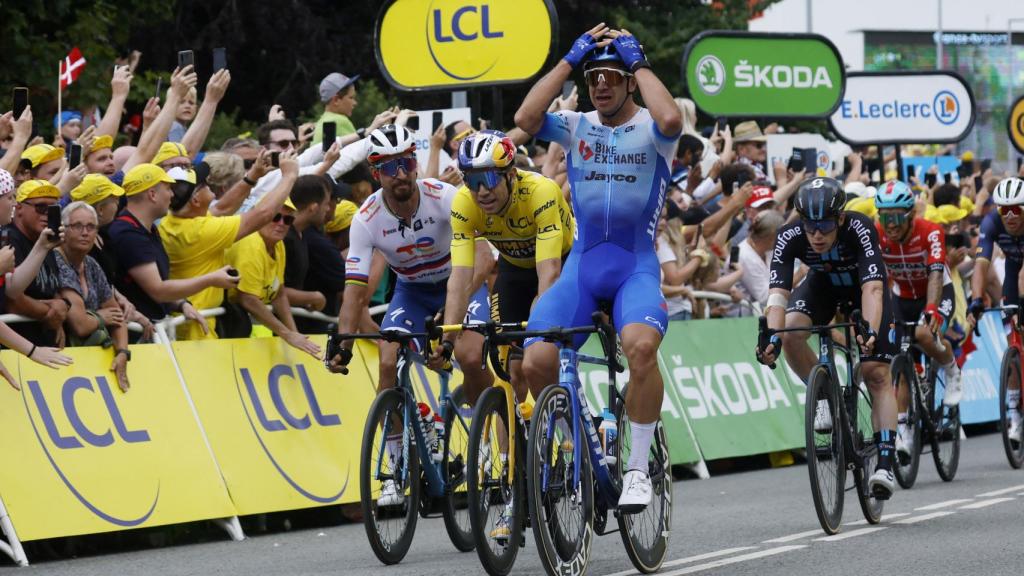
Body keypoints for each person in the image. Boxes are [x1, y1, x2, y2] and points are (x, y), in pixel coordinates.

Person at [513, 24, 682, 510]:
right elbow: (526, 115)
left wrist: (639, 61)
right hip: (583, 267)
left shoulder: (653, 127)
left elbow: (672, 118)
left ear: (629, 81)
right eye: (593, 79)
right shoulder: (576, 125)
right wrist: (570, 59)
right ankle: (571, 444)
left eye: (611, 77)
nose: (601, 86)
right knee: (536, 360)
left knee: (641, 349)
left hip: (635, 267)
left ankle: (636, 470)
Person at [328, 125, 492, 506]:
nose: (399, 174)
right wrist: (343, 342)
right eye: (389, 167)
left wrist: (451, 309)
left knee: (468, 356)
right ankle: (393, 467)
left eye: (404, 163)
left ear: (416, 163)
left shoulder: (446, 197)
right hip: (413, 292)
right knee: (388, 359)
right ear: (375, 173)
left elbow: (483, 262)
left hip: (461, 282)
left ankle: (489, 439)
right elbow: (354, 291)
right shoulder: (366, 218)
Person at [757, 177, 898, 500]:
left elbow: (873, 288)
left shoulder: (860, 228)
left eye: (824, 226)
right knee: (792, 332)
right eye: (810, 226)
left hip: (861, 288)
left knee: (876, 372)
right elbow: (778, 295)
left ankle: (886, 462)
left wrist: (870, 330)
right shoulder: (790, 235)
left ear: (841, 219)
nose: (817, 235)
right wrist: (774, 339)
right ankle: (823, 396)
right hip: (822, 285)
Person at [436, 130, 574, 402]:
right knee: (513, 369)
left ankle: (564, 419)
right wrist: (447, 339)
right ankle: (516, 441)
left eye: (488, 178)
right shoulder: (464, 203)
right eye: (472, 181)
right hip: (515, 270)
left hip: (564, 265)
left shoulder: (541, 192)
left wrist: (537, 327)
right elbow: (461, 278)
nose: (482, 191)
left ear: (511, 174)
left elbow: (550, 272)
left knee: (537, 354)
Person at [158, 156, 297, 340]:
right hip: (198, 328)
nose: (209, 184)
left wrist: (252, 176)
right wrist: (289, 176)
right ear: (196, 201)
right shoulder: (200, 232)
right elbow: (263, 214)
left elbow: (223, 208)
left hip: (193, 318)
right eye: (203, 184)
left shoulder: (176, 220)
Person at [874, 180, 962, 458]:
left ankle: (951, 368)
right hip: (902, 298)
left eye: (897, 216)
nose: (891, 224)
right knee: (899, 367)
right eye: (885, 217)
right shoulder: (877, 234)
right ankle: (903, 431)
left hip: (937, 292)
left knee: (924, 334)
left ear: (911, 214)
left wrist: (933, 308)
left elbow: (936, 272)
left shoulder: (931, 232)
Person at [107, 163, 236, 328]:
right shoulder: (129, 235)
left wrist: (182, 304)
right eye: (168, 189)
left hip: (152, 332)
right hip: (138, 336)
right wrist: (211, 279)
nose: (172, 195)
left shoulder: (148, 228)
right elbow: (159, 290)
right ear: (152, 195)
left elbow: (157, 287)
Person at [225, 201, 320, 357]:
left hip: (246, 322)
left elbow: (279, 293)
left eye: (287, 220)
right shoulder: (250, 244)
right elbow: (248, 299)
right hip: (229, 323)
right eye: (275, 217)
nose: (281, 224)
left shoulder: (277, 244)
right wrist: (287, 335)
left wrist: (295, 334)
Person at [55, 202, 131, 391]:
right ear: (63, 230)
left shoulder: (91, 264)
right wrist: (101, 316)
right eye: (77, 226)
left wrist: (122, 352)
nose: (85, 232)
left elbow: (117, 316)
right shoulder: (55, 260)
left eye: (91, 227)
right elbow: (80, 325)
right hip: (61, 365)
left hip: (89, 365)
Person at [971, 177, 1024, 441]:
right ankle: (1015, 414)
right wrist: (976, 299)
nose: (1011, 215)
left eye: (1017, 208)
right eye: (1005, 209)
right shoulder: (991, 222)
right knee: (1012, 342)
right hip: (1014, 269)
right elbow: (981, 265)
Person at [314, 72, 359, 143]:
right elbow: (360, 151)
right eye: (351, 98)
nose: (355, 103)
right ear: (336, 100)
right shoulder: (340, 121)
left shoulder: (321, 122)